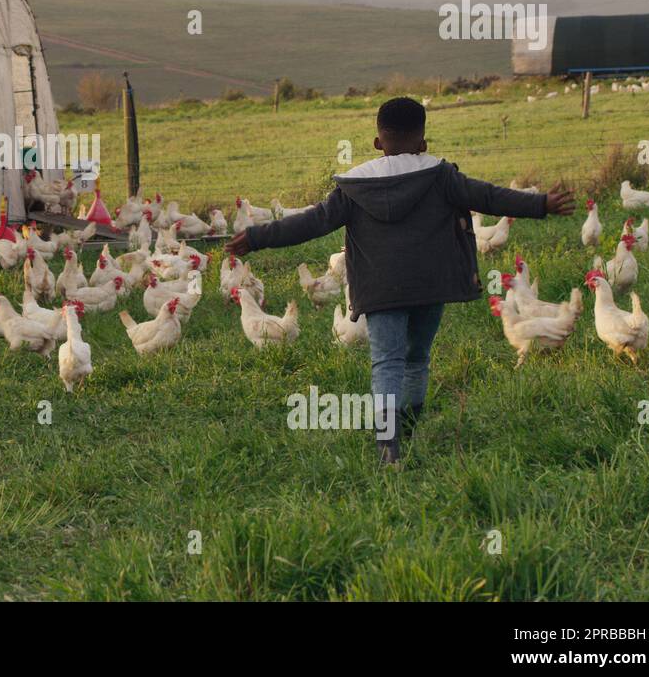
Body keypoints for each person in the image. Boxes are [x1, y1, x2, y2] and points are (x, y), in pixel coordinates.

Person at [226, 97, 575, 465]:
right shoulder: (440, 175)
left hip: (380, 290)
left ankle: (389, 444)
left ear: (378, 142)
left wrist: (257, 237)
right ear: (424, 142)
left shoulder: (354, 187)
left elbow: (312, 222)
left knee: (386, 363)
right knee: (417, 359)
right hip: (430, 284)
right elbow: (487, 196)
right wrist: (541, 205)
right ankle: (407, 427)